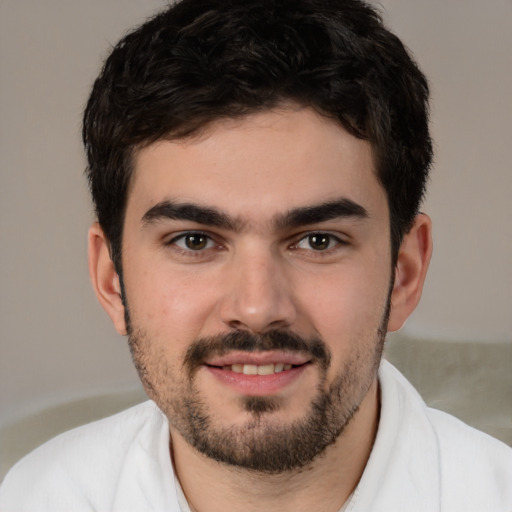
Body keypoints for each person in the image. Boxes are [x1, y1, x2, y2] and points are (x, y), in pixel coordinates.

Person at [1, 0, 511, 510]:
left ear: (404, 274)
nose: (257, 306)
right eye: (195, 241)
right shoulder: (36, 497)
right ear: (112, 280)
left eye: (318, 241)